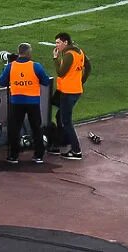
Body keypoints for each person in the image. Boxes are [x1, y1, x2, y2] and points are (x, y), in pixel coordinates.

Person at [0, 43, 50, 164]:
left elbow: (1, 82)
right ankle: (38, 155)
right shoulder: (36, 66)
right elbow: (46, 81)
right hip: (32, 101)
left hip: (16, 101)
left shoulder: (11, 66)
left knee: (14, 128)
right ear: (28, 53)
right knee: (36, 128)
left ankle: (13, 155)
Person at [50, 32, 90, 160]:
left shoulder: (68, 55)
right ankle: (62, 141)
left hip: (68, 92)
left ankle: (76, 150)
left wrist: (55, 59)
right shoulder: (79, 52)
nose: (56, 45)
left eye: (58, 42)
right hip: (74, 90)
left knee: (66, 121)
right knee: (59, 116)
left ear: (65, 42)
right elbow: (88, 67)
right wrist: (80, 81)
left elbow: (61, 73)